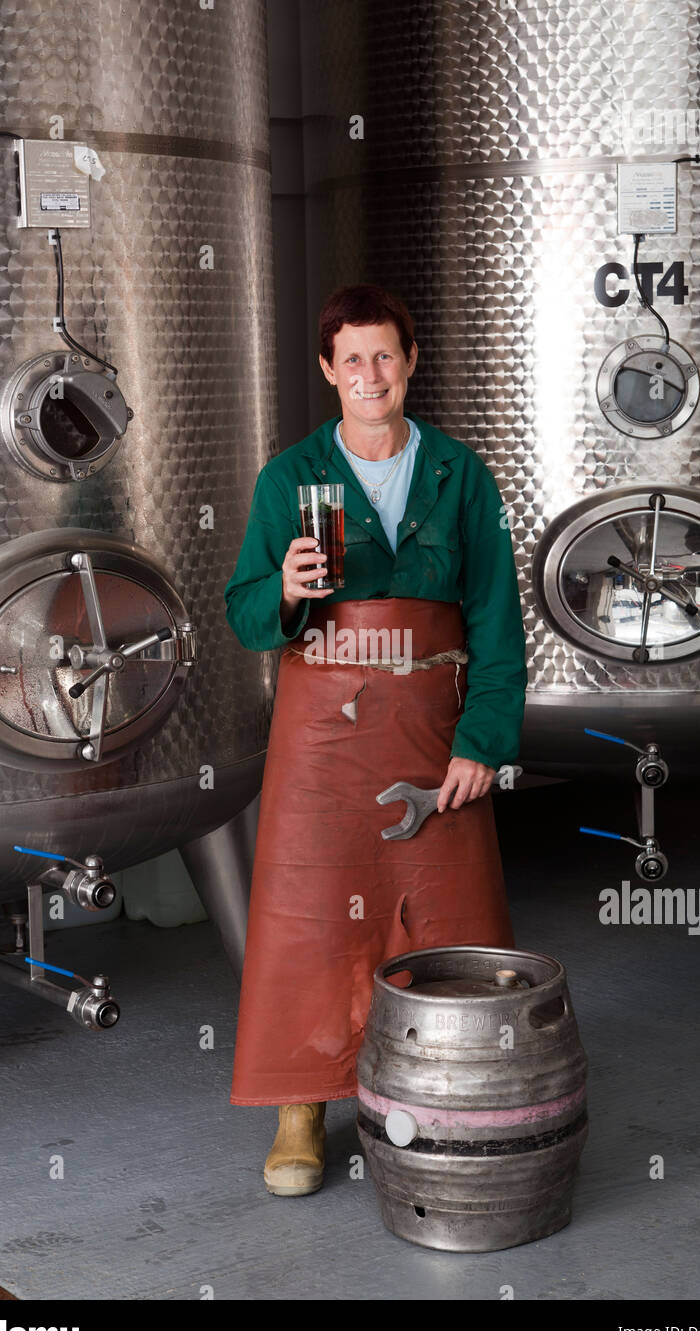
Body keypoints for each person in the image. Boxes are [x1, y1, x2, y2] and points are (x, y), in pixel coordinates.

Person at [223, 284, 527, 1196]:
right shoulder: (289, 480)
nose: (370, 375)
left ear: (412, 361)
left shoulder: (463, 475)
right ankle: (303, 1105)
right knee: (311, 918)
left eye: (385, 356)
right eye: (351, 359)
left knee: (449, 912)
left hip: (434, 731)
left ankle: (454, 1095)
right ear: (327, 371)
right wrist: (284, 587)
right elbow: (244, 616)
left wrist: (483, 741)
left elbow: (497, 620)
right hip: (322, 736)